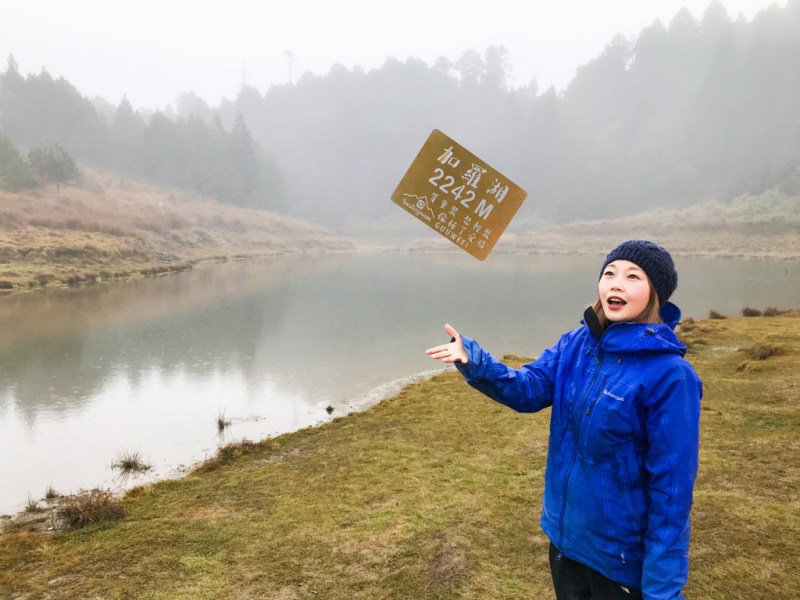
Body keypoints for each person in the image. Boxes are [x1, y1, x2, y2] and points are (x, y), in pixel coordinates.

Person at [425, 240, 702, 600]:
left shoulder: (671, 375)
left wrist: (663, 590)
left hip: (619, 559)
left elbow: (673, 489)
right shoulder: (576, 344)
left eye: (633, 276)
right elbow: (529, 390)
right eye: (609, 274)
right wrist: (474, 361)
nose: (616, 284)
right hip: (565, 541)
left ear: (655, 294)